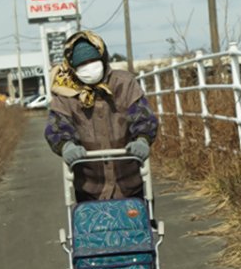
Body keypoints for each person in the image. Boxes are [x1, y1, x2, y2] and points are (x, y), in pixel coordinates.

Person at [44, 30, 158, 202]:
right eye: (83, 64)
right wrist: (66, 146)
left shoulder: (124, 84)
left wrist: (142, 139)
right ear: (73, 68)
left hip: (129, 180)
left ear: (103, 58)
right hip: (89, 185)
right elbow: (57, 126)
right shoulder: (65, 94)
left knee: (139, 224)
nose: (89, 67)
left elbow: (143, 116)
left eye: (93, 60)